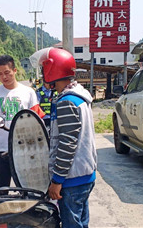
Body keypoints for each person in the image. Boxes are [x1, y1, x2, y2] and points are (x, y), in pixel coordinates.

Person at [31, 47, 97, 228]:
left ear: (52, 69)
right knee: (81, 223)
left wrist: (57, 181)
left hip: (71, 179)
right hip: (84, 174)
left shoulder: (66, 102)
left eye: (45, 68)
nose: (43, 72)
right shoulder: (79, 96)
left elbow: (67, 144)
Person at [0, 55, 45, 193]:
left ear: (15, 70)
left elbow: (36, 120)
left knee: (27, 190)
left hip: (24, 149)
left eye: (7, 72)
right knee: (0, 189)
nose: (4, 77)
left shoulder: (28, 92)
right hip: (1, 149)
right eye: (0, 74)